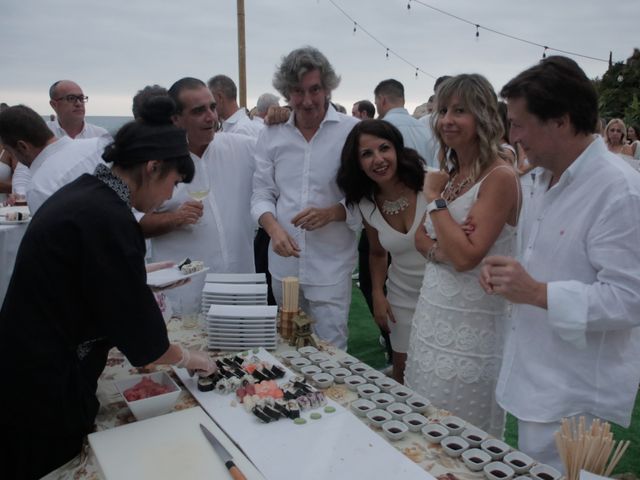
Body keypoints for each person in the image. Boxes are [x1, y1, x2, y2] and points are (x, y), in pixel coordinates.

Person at [0, 96, 216, 479]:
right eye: (172, 183)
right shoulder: (107, 216)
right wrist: (189, 357)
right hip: (43, 380)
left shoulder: (89, 194)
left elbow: (94, 277)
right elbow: (142, 336)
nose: (169, 196)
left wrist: (140, 273)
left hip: (30, 360)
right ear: (152, 168)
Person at [480, 56, 640, 470]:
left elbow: (630, 298)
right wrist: (508, 274)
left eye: (518, 123)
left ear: (561, 122)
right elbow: (544, 259)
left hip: (575, 388)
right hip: (535, 365)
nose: (512, 135)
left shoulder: (619, 190)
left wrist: (535, 292)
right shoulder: (539, 178)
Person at [404, 74, 520, 438]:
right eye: (442, 110)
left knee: (464, 435)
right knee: (424, 424)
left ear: (484, 116)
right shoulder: (453, 173)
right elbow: (420, 240)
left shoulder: (499, 176)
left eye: (460, 111)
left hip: (472, 327)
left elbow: (468, 257)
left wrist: (436, 202)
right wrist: (446, 248)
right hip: (433, 315)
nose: (447, 119)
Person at [251, 46, 360, 349]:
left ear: (328, 88)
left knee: (331, 350)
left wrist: (331, 213)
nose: (308, 100)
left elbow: (366, 198)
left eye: (315, 89)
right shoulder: (270, 135)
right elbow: (261, 193)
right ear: (286, 93)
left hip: (331, 266)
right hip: (284, 267)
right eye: (298, 91)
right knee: (287, 347)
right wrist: (274, 231)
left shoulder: (352, 132)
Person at [141, 77, 256, 316]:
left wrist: (284, 119)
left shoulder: (242, 147)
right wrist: (173, 219)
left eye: (213, 107)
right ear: (175, 119)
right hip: (186, 295)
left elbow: (282, 150)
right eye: (198, 111)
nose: (211, 117)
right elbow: (130, 224)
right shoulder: (154, 164)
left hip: (240, 287)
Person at [337, 119, 426, 383]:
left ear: (397, 149)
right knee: (402, 373)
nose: (378, 159)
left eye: (384, 148)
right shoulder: (366, 203)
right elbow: (377, 253)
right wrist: (378, 293)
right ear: (357, 163)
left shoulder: (431, 183)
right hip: (401, 297)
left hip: (443, 295)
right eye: (367, 154)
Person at [0, 105, 108, 214]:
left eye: (9, 150)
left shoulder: (40, 188)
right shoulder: (99, 145)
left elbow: (54, 230)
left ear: (23, 147)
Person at [374, 79, 437, 168]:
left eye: (376, 103)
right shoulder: (424, 127)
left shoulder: (381, 128)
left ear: (382, 100)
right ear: (404, 101)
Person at [46, 80, 111, 140]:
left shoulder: (100, 135)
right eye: (71, 98)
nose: (79, 103)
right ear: (54, 104)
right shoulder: (41, 134)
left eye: (81, 98)